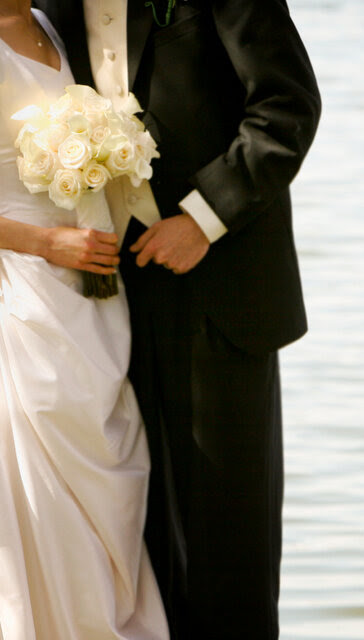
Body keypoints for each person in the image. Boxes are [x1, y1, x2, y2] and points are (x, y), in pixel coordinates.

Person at [32, 0, 322, 636]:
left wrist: (203, 219)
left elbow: (287, 104)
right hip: (100, 304)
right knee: (132, 536)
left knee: (229, 545)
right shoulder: (43, 9)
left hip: (222, 293)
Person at [0, 2, 169, 639]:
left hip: (91, 278)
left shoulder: (47, 20)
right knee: (40, 441)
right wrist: (43, 245)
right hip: (22, 282)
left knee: (107, 450)